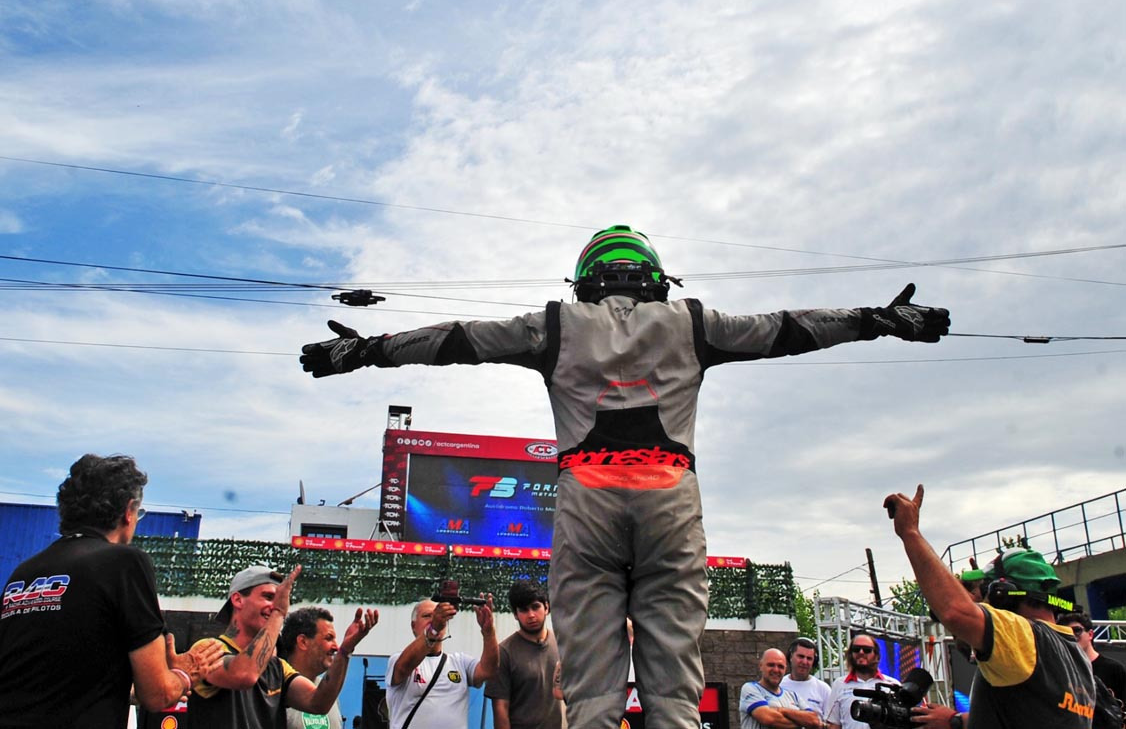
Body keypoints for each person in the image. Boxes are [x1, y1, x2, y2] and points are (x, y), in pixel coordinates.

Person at [301, 225, 950, 728]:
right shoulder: (693, 322)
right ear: (655, 278)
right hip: (671, 499)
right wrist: (880, 320)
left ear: (586, 281)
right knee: (674, 695)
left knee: (590, 697)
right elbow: (788, 329)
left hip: (586, 501)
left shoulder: (555, 325)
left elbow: (459, 339)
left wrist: (365, 350)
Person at [0, 453, 224, 728]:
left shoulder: (24, 573)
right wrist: (186, 673)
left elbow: (54, 680)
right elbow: (157, 695)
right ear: (128, 511)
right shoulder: (125, 563)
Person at [885, 485, 1096, 728]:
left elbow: (955, 611)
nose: (980, 601)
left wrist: (910, 532)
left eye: (985, 591)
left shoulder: (1026, 637)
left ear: (1003, 594)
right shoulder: (1076, 657)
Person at [187, 564, 378, 728]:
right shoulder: (206, 650)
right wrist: (278, 612)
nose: (275, 605)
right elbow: (245, 674)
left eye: (278, 599)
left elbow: (318, 703)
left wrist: (345, 651)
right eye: (268, 597)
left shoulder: (277, 667)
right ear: (238, 600)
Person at [386, 596, 498, 729]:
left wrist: (489, 632)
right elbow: (403, 668)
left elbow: (488, 671)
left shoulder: (460, 662)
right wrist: (432, 630)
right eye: (427, 616)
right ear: (413, 626)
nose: (434, 620)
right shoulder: (398, 659)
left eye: (439, 616)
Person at [279, 606, 379, 729]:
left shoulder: (326, 691)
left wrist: (347, 649)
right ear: (303, 642)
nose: (336, 647)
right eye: (328, 638)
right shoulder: (276, 688)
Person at [486, 581, 564, 729]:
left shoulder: (562, 645)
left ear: (546, 607)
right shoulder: (504, 653)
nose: (531, 615)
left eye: (535, 607)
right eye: (524, 610)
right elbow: (500, 709)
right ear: (516, 614)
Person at [824, 634, 900, 729]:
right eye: (856, 649)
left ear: (876, 655)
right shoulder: (840, 684)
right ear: (850, 654)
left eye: (867, 650)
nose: (861, 652)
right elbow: (834, 724)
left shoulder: (892, 684)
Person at [740, 648, 825, 729]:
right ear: (761, 666)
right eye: (771, 665)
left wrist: (781, 710)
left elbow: (814, 720)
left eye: (780, 666)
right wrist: (801, 721)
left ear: (785, 669)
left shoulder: (793, 696)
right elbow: (769, 719)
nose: (776, 670)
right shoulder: (751, 689)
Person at [1060, 611, 1126, 700]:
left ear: (1090, 634)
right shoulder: (1062, 670)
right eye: (1066, 633)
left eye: (1076, 630)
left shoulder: (1114, 669)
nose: (1072, 636)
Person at [780, 637, 831, 718]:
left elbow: (831, 722)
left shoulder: (823, 689)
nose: (804, 662)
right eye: (801, 656)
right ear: (791, 657)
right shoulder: (779, 685)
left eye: (809, 658)